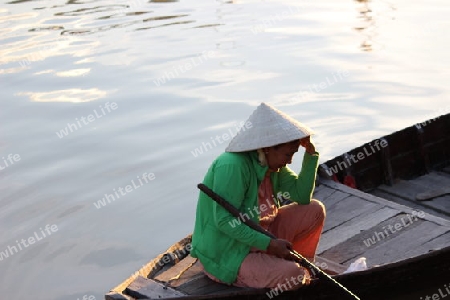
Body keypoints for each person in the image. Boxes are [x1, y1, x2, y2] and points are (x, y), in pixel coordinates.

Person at [190, 102, 326, 290]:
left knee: (314, 210)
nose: (290, 160)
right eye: (288, 154)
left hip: (262, 235)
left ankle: (300, 265)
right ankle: (291, 270)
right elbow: (225, 221)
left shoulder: (273, 166)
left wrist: (311, 154)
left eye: (293, 154)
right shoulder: (232, 166)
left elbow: (302, 196)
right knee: (293, 275)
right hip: (230, 251)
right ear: (269, 148)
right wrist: (269, 244)